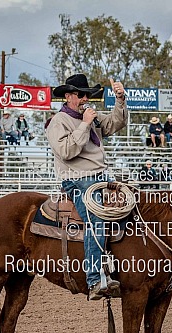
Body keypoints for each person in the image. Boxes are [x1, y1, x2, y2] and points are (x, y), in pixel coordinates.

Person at [46, 73, 127, 300]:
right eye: (81, 95)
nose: (85, 99)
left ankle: (116, 268)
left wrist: (120, 100)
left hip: (100, 176)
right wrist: (84, 125)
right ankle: (93, 279)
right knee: (96, 220)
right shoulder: (58, 122)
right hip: (77, 178)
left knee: (131, 210)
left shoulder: (90, 116)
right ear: (69, 96)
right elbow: (66, 151)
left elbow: (115, 122)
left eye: (87, 95)